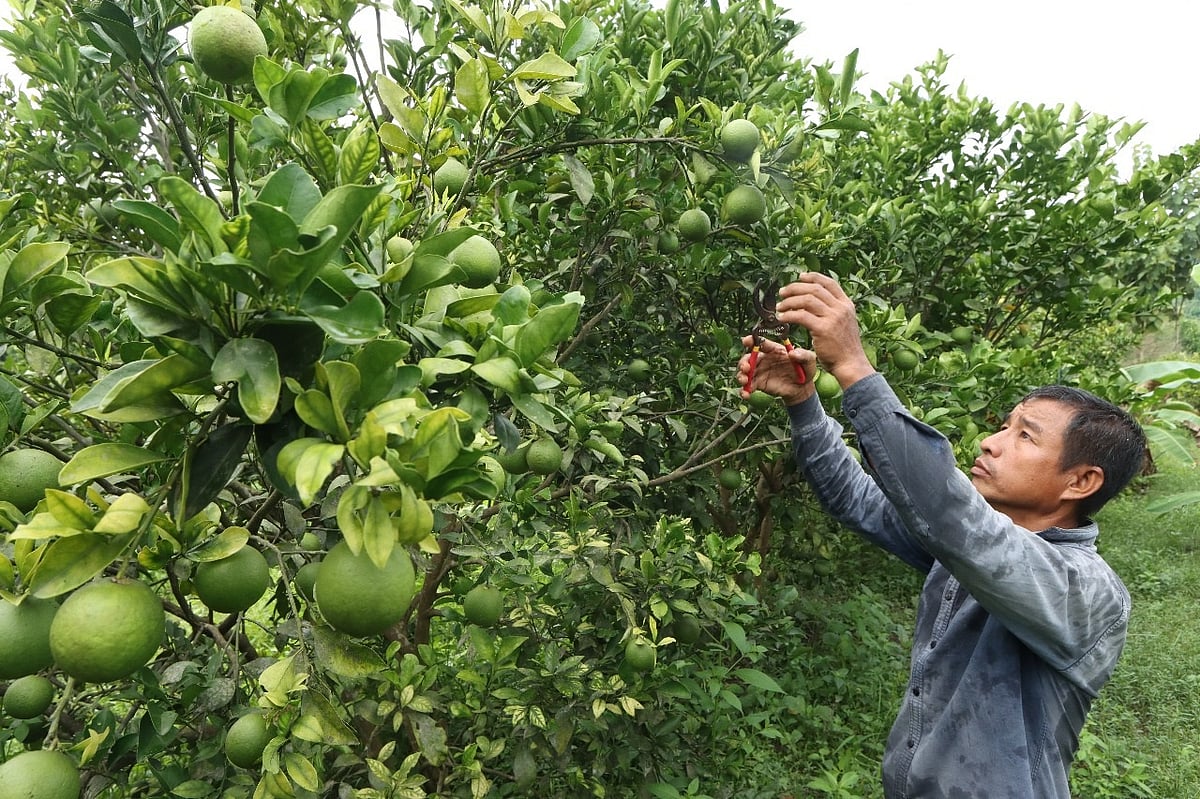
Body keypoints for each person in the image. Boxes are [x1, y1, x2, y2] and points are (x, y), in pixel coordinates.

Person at [737, 272, 1146, 799]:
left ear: (1081, 481)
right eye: (1005, 424)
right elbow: (859, 501)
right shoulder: (966, 550)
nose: (992, 443)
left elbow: (958, 521)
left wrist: (856, 369)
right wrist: (804, 402)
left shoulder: (1085, 592)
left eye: (1025, 436)